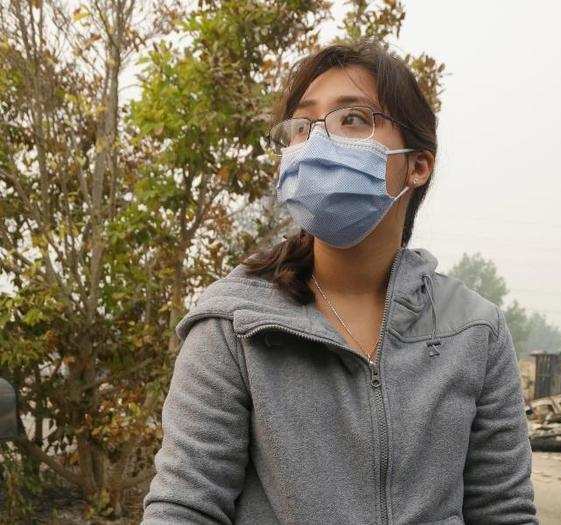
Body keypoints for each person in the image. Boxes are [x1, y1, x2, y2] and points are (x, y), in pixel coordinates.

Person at [141, 39, 538, 525]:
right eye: (303, 126)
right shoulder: (233, 324)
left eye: (352, 119)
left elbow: (504, 511)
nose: (318, 143)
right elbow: (186, 507)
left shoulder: (474, 329)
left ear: (417, 164)